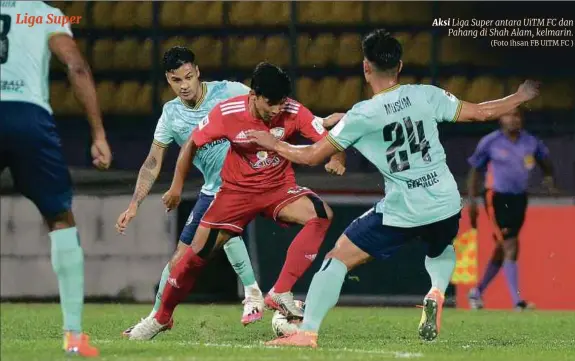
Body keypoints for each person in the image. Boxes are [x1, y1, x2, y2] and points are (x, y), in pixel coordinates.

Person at [245, 29, 540, 348]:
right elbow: (482, 112)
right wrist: (519, 97)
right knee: (440, 248)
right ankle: (436, 291)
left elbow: (313, 155)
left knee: (338, 257)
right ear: (399, 66)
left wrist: (273, 143)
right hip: (444, 201)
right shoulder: (425, 95)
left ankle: (308, 332)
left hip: (404, 208)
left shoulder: (363, 115)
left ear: (365, 67)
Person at [127, 62, 346, 340]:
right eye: (271, 103)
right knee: (193, 258)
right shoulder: (228, 112)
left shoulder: (292, 109)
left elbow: (329, 139)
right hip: (235, 193)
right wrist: (177, 187)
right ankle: (161, 318)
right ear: (254, 95)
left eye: (281, 103)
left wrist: (338, 158)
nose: (278, 109)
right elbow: (191, 144)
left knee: (321, 214)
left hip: (278, 188)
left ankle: (279, 292)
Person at [114, 46, 270, 333]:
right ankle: (159, 316)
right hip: (213, 189)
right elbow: (152, 161)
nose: (184, 86)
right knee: (179, 258)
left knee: (221, 221)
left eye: (188, 77)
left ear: (197, 72)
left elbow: (266, 105)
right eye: (176, 80)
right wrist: (135, 203)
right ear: (168, 80)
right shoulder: (170, 114)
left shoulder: (229, 91)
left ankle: (253, 293)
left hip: (248, 181)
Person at [0, 1, 112, 357]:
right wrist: (98, 134)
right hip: (29, 116)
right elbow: (76, 66)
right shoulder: (44, 13)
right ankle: (74, 337)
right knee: (61, 218)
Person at [466, 107, 556, 310]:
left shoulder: (530, 142)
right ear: (500, 119)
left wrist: (549, 178)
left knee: (503, 248)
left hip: (519, 199)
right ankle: (517, 301)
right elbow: (475, 171)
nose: (513, 119)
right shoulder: (490, 142)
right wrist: (471, 201)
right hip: (496, 197)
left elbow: (546, 162)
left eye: (517, 115)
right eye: (509, 115)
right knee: (511, 245)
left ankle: (477, 292)